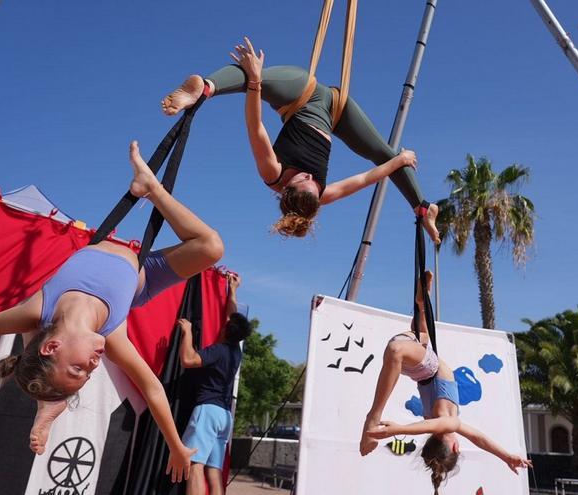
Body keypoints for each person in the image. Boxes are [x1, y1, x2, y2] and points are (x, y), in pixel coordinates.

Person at [0, 141, 224, 483]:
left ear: (53, 349)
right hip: (139, 280)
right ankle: (154, 190)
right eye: (87, 375)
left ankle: (48, 404)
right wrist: (175, 445)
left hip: (64, 312)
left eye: (79, 368)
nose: (93, 367)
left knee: (36, 328)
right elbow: (153, 389)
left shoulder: (37, 309)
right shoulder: (112, 337)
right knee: (211, 247)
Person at [161, 37, 440, 240]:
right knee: (385, 154)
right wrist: (400, 159)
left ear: (286, 189)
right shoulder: (321, 195)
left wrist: (256, 81)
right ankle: (423, 207)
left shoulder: (272, 173)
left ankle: (203, 89)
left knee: (252, 74)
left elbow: (255, 126)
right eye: (313, 185)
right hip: (336, 110)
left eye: (303, 181)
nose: (310, 178)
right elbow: (366, 178)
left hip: (300, 95)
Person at [359, 271, 531, 494]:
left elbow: (435, 428)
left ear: (455, 447)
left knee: (398, 350)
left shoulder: (449, 423)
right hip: (419, 366)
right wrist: (505, 456)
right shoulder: (446, 422)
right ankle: (421, 303)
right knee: (418, 336)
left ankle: (373, 416)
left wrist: (397, 429)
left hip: (426, 367)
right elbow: (480, 439)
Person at [177, 272, 251, 495]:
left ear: (228, 330)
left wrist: (187, 332)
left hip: (207, 412)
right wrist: (233, 289)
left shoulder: (218, 351)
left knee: (195, 466)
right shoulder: (235, 352)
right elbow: (232, 315)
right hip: (224, 417)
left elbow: (188, 360)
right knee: (214, 470)